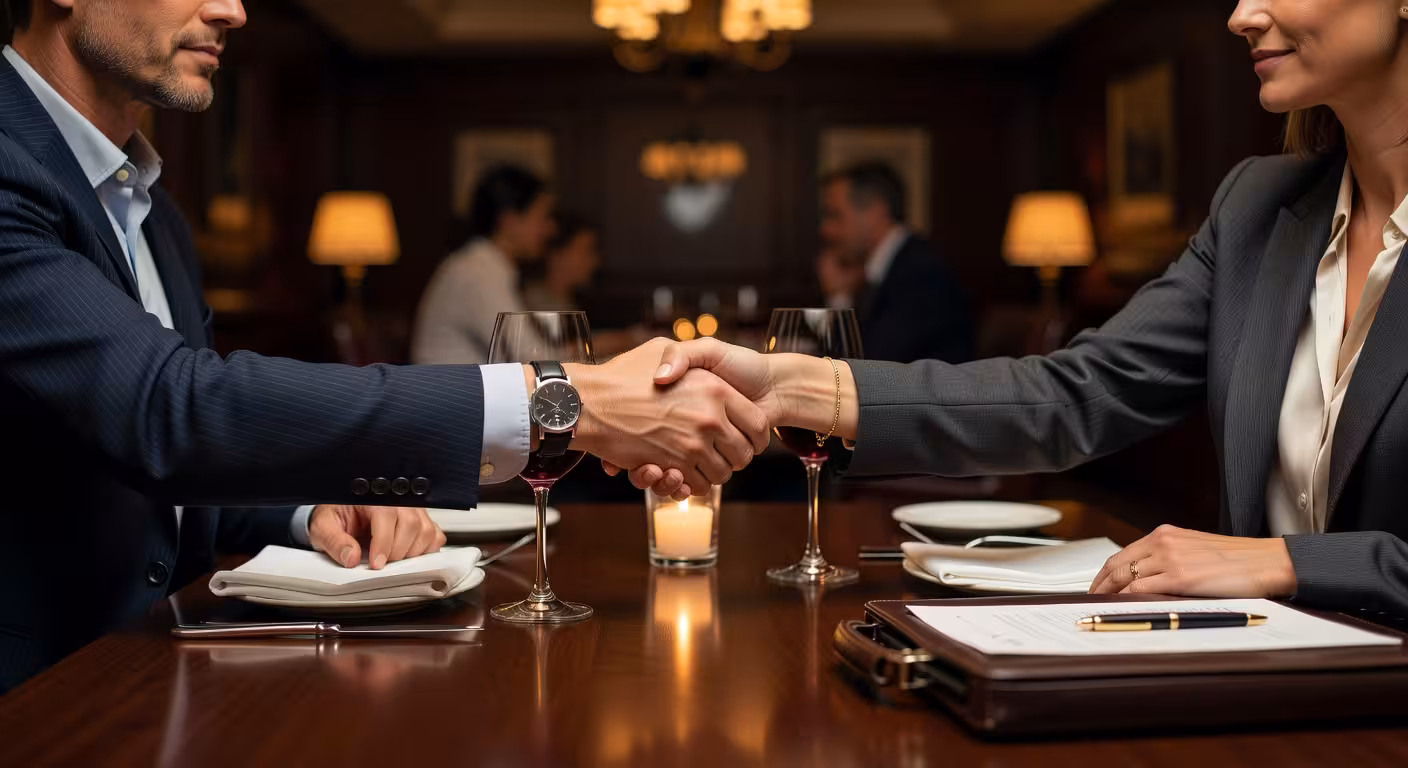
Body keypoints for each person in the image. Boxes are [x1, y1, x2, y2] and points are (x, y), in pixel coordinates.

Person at [0, 0, 766, 690]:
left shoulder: (151, 208)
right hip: (42, 697)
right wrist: (564, 402)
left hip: (151, 681)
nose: (233, 11)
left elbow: (167, 474)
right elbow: (171, 407)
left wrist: (311, 512)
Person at [618, 0, 1408, 623]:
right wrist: (790, 386)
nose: (1242, 14)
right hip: (1266, 679)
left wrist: (1289, 562)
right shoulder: (1258, 206)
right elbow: (1075, 392)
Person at [820, 162, 973, 363]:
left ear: (875, 213)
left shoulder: (922, 274)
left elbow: (867, 365)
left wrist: (839, 298)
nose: (826, 229)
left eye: (835, 215)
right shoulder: (889, 267)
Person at [412, 164, 554, 365]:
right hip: (449, 394)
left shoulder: (481, 263)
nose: (550, 229)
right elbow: (530, 358)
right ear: (510, 220)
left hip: (463, 390)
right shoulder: (478, 272)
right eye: (543, 217)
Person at [523, 212, 599, 312]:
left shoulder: (566, 302)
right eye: (586, 250)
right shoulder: (530, 305)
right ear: (556, 255)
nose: (595, 260)